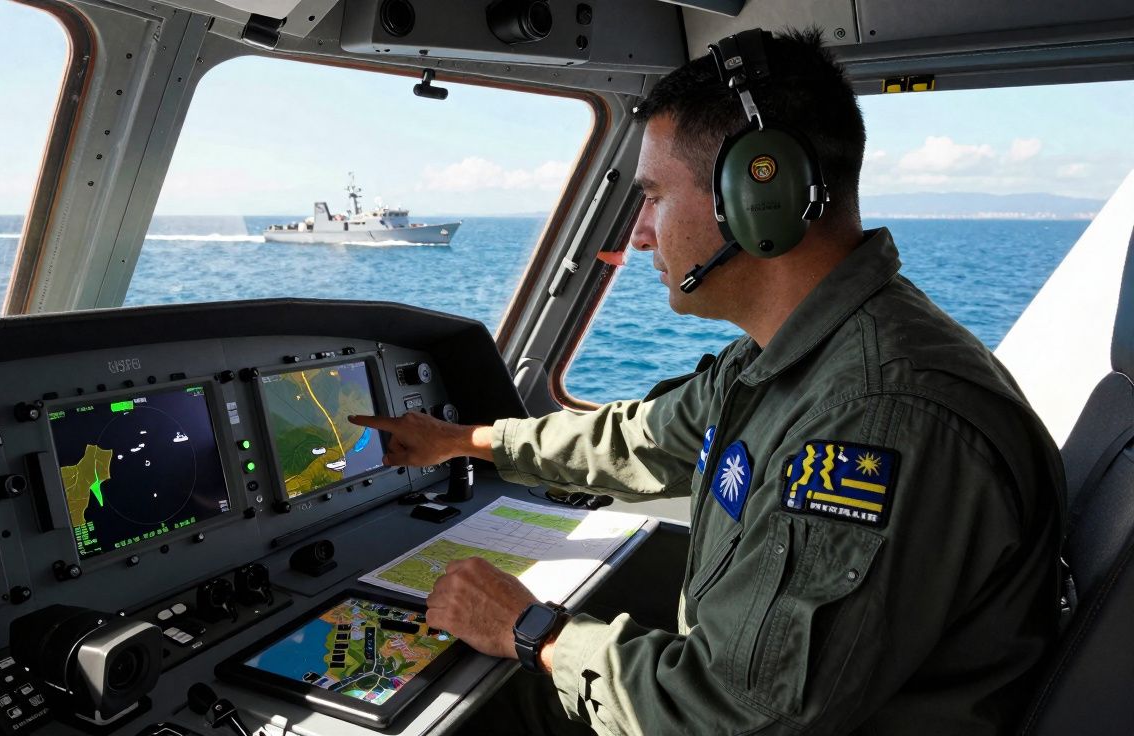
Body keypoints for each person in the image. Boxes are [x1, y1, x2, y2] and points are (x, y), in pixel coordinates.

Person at [351, 28, 1063, 735]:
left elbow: (731, 717)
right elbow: (641, 439)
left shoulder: (877, 418)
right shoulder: (787, 357)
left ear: (760, 196)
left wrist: (530, 630)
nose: (639, 233)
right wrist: (462, 440)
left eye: (654, 196)